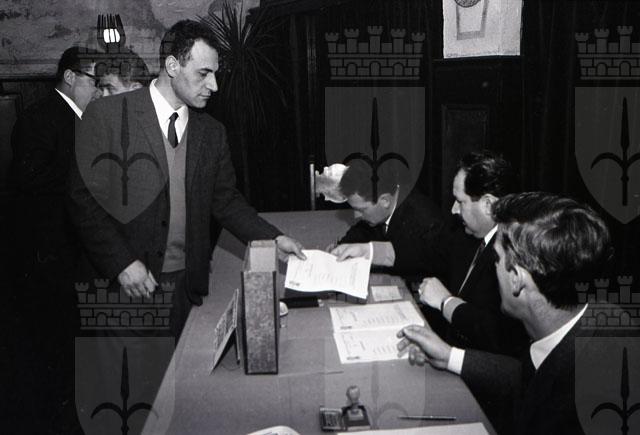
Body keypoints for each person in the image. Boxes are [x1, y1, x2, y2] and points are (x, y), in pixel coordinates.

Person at [69, 20, 304, 339]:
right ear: (172, 66)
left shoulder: (212, 132)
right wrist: (122, 264)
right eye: (204, 73)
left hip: (185, 287)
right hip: (123, 288)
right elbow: (83, 200)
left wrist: (273, 238)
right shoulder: (107, 115)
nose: (214, 86)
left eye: (215, 74)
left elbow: (226, 201)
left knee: (181, 370)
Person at [397, 192, 613, 435]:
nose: (493, 266)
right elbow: (531, 377)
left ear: (516, 279)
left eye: (496, 258)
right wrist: (449, 356)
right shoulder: (579, 324)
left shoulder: (590, 401)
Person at [334, 151, 527, 355]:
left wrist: (446, 302)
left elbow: (501, 336)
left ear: (488, 205)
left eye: (460, 202)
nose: (453, 210)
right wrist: (369, 250)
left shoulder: (514, 254)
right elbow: (428, 253)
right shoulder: (467, 236)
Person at [8, 45, 101, 434]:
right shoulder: (40, 117)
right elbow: (28, 180)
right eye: (94, 81)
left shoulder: (81, 117)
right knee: (58, 343)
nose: (98, 90)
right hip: (51, 253)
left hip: (77, 248)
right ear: (70, 77)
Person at [332, 159, 443, 281]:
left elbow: (409, 258)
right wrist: (342, 247)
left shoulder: (423, 221)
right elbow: (363, 231)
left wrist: (369, 251)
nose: (356, 216)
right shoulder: (383, 207)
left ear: (385, 201)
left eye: (361, 210)